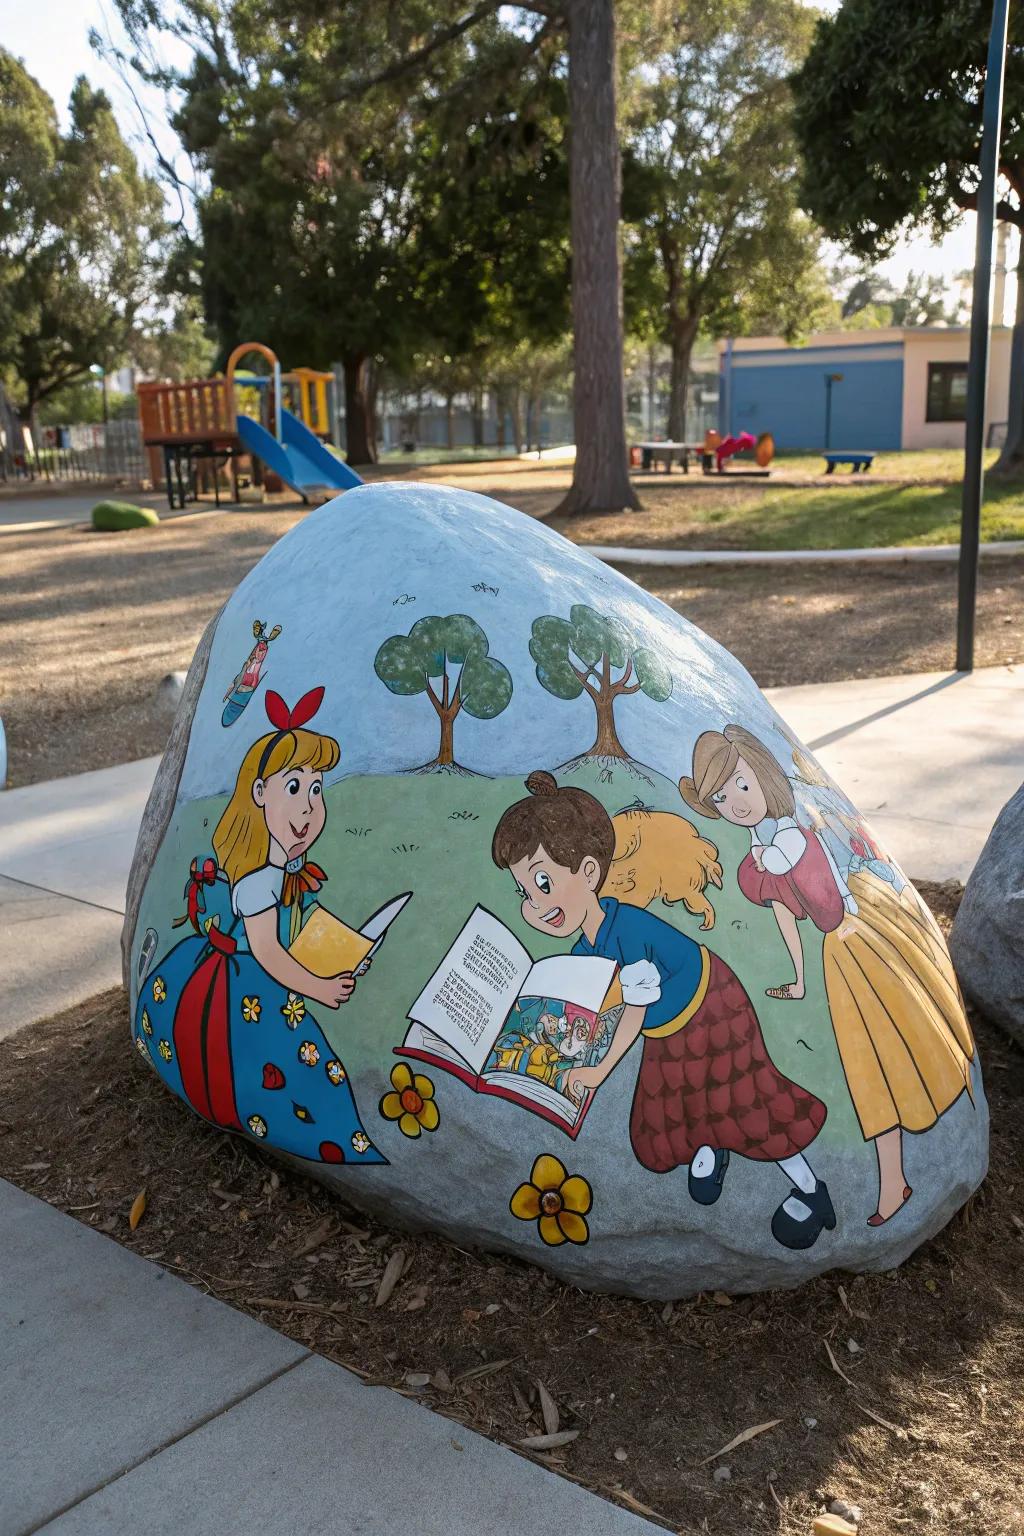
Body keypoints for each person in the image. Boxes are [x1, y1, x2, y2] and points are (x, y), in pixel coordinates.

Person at [491, 772, 835, 1252]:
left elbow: (631, 1012)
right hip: (668, 1024)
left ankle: (811, 1192)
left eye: (543, 882)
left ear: (589, 873)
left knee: (747, 1101)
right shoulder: (584, 944)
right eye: (525, 891)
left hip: (713, 1006)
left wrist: (598, 1071)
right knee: (670, 1107)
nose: (535, 904)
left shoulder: (628, 930)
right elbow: (602, 1005)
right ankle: (711, 1147)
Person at [679, 723, 975, 1226]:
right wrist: (796, 976)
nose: (738, 802)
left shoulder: (785, 839)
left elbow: (784, 884)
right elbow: (783, 913)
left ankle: (896, 1181)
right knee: (872, 1066)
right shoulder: (763, 842)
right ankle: (894, 1182)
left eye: (743, 785)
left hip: (856, 942)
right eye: (723, 797)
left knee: (878, 1061)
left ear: (764, 777)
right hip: (836, 951)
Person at [134, 686, 384, 1165]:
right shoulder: (256, 880)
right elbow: (268, 953)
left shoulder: (279, 866)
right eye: (294, 787)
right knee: (290, 1067)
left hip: (254, 976)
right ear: (259, 792)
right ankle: (336, 1143)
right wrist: (320, 988)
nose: (309, 807)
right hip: (242, 988)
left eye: (316, 789)